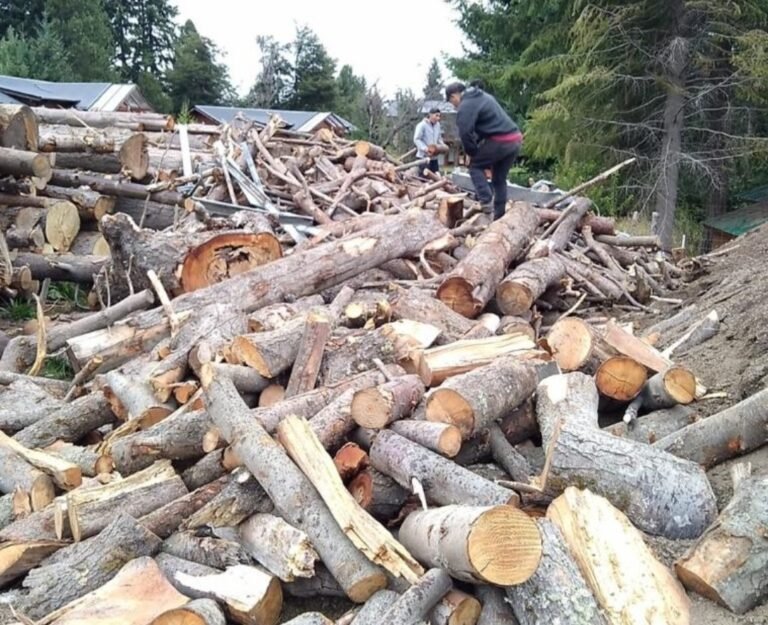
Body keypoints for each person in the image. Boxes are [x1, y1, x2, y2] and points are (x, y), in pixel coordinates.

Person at [445, 81, 523, 220]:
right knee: (499, 179)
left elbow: (465, 133)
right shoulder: (483, 97)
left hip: (500, 140)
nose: (454, 106)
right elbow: (485, 128)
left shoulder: (466, 105)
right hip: (515, 139)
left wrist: (472, 153)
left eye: (452, 103)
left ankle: (486, 203)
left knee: (475, 166)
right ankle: (498, 217)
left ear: (453, 96)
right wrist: (476, 148)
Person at [413, 107, 446, 174]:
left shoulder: (438, 125)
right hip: (423, 157)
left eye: (439, 116)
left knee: (436, 176)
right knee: (424, 178)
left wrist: (443, 146)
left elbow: (439, 138)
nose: (438, 118)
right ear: (430, 115)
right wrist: (425, 148)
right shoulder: (422, 125)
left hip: (434, 157)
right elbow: (416, 139)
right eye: (436, 115)